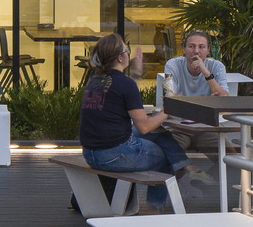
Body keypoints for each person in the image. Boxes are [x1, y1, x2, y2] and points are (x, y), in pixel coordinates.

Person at [78, 32, 190, 212]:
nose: (129, 53)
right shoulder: (125, 85)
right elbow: (144, 126)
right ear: (121, 57)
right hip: (112, 156)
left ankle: (181, 164)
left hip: (90, 153)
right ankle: (155, 208)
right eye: (126, 50)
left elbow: (121, 89)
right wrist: (168, 110)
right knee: (164, 156)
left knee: (157, 133)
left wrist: (136, 71)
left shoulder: (96, 80)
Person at [157, 29, 230, 159]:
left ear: (208, 50)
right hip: (178, 127)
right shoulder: (173, 65)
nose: (196, 51)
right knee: (167, 157)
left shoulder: (217, 67)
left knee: (230, 158)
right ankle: (187, 177)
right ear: (184, 49)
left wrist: (206, 72)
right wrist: (207, 103)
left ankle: (205, 179)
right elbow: (169, 100)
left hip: (206, 128)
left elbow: (224, 100)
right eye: (191, 46)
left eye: (201, 47)